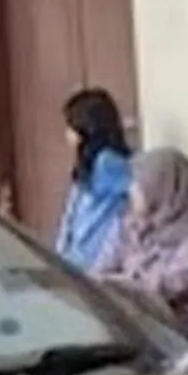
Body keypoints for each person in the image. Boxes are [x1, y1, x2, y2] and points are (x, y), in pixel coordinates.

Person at [100, 149, 188, 322]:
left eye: (138, 184)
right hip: (122, 320)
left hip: (172, 329)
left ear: (162, 186)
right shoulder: (129, 224)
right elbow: (101, 269)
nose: (131, 191)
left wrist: (114, 284)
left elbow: (168, 285)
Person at [55, 88, 134, 272]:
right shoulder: (89, 164)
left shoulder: (108, 163)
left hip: (94, 258)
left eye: (70, 126)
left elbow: (137, 194)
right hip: (79, 256)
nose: (67, 134)